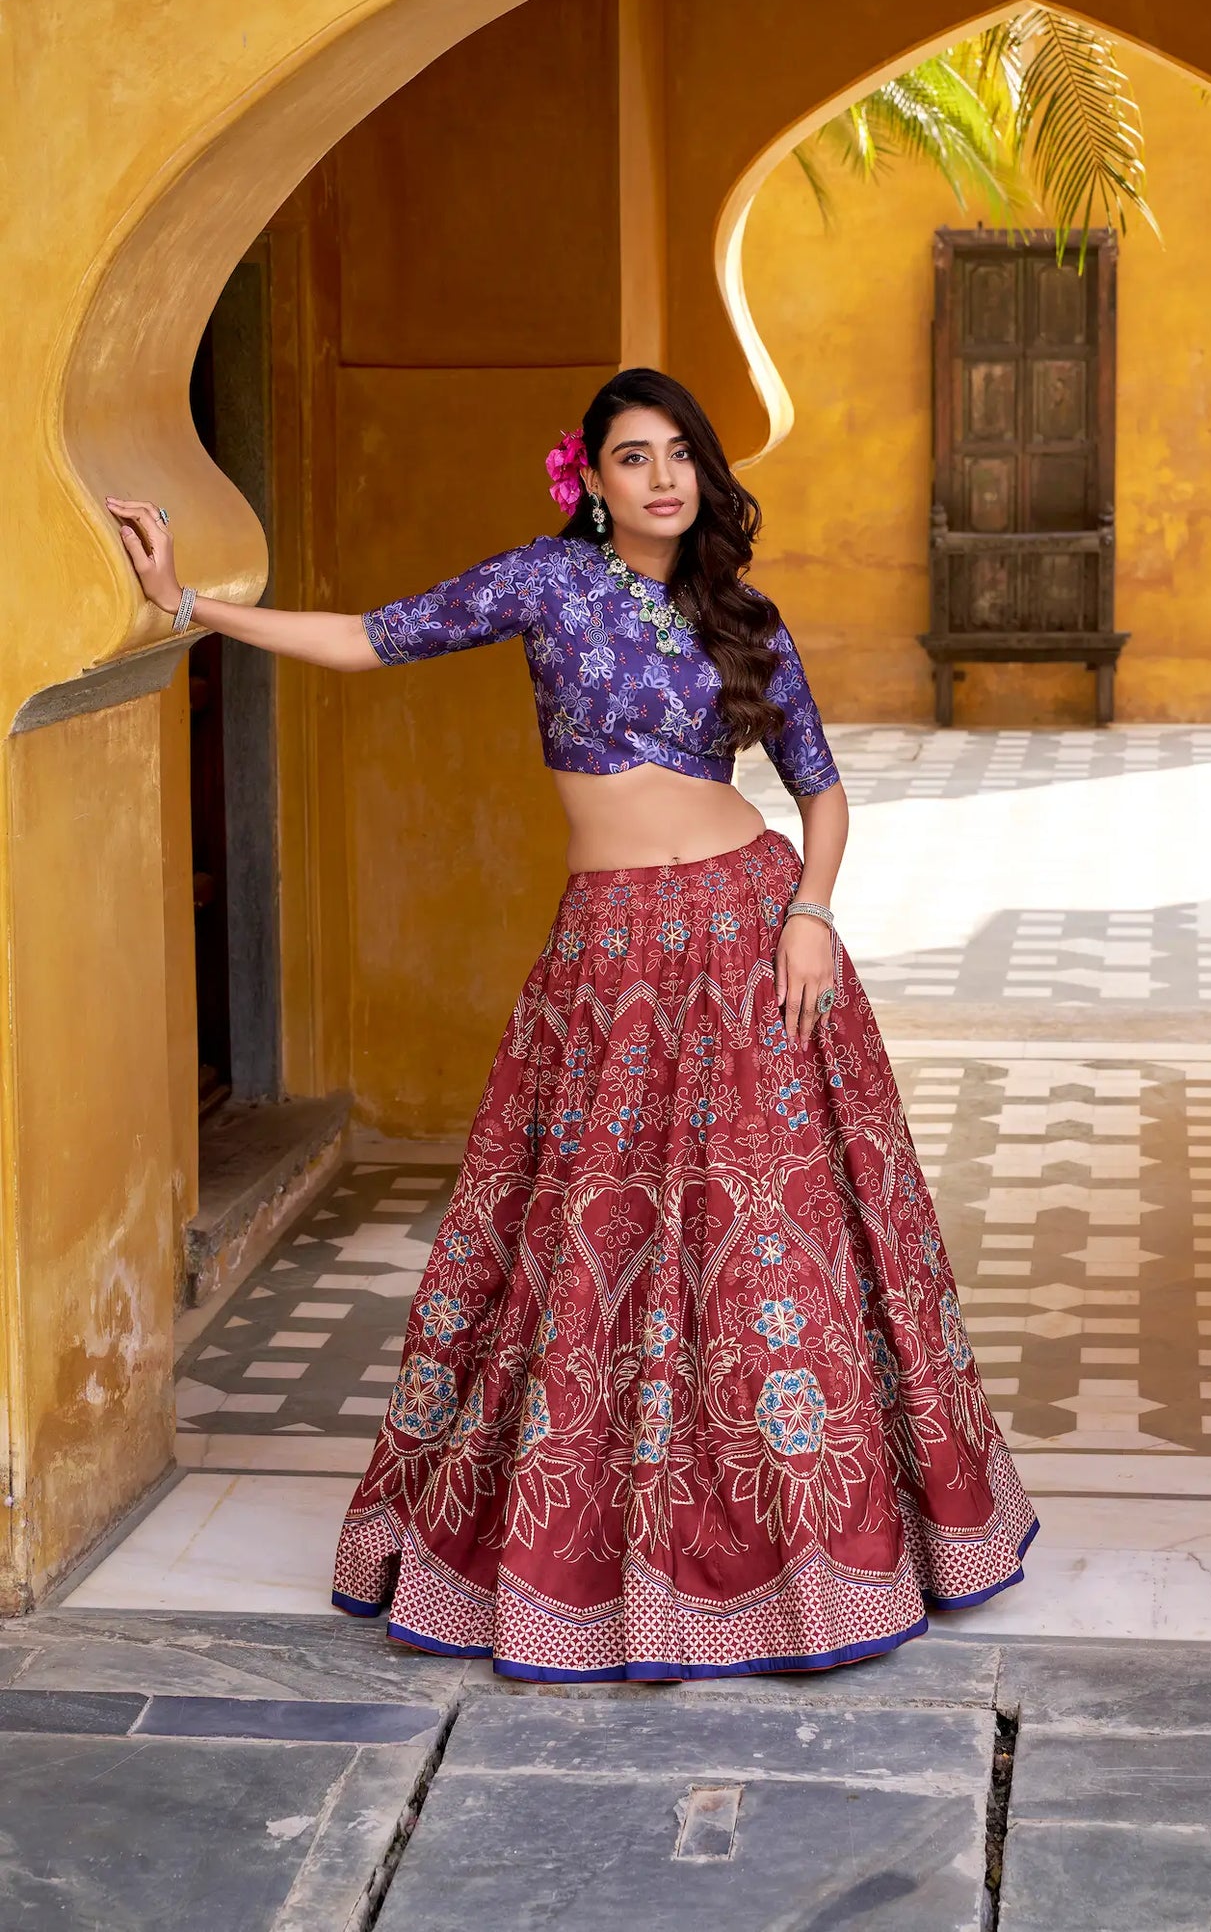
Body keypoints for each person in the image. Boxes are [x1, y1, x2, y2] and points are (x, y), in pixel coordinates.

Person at [109, 365, 1036, 1681]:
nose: (663, 478)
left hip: (747, 931)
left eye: (682, 457)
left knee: (771, 1245)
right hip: (609, 952)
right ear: (589, 483)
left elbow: (819, 794)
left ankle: (814, 1560)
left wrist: (811, 914)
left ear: (707, 477)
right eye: (633, 458)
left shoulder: (742, 617)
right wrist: (187, 606)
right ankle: (596, 1551)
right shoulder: (542, 588)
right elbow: (372, 637)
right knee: (585, 1238)